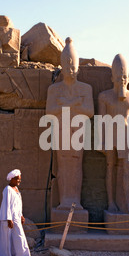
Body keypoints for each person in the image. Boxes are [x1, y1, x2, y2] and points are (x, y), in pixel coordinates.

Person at [46, 37, 94, 211]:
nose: (70, 71)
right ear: (62, 68)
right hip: (61, 129)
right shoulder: (54, 89)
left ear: (78, 68)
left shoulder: (85, 88)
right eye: (67, 68)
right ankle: (64, 201)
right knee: (63, 163)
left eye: (73, 67)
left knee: (75, 164)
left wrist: (69, 104)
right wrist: (71, 104)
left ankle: (75, 201)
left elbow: (90, 112)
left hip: (78, 130)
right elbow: (49, 112)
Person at [98, 54, 129, 214]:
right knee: (110, 167)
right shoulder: (104, 96)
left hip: (127, 134)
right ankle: (111, 203)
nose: (122, 80)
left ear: (128, 78)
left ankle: (128, 204)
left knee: (128, 168)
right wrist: (101, 141)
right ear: (112, 78)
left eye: (124, 77)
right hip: (111, 133)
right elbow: (101, 120)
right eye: (118, 77)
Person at [0, 169, 32, 256]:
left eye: (19, 179)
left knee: (19, 235)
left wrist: (21, 215)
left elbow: (18, 204)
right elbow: (6, 204)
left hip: (16, 216)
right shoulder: (7, 189)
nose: (19, 181)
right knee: (11, 237)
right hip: (10, 217)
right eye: (17, 179)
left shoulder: (16, 190)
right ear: (11, 179)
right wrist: (8, 219)